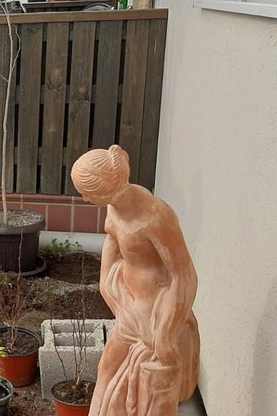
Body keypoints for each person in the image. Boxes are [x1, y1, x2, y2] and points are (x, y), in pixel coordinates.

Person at [70, 145, 200, 416]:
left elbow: (183, 274)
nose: (83, 199)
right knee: (108, 366)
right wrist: (106, 279)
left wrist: (165, 330)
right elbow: (112, 236)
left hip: (150, 311)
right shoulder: (114, 205)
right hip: (129, 300)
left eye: (87, 193)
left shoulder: (155, 216)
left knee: (142, 382)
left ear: (108, 190)